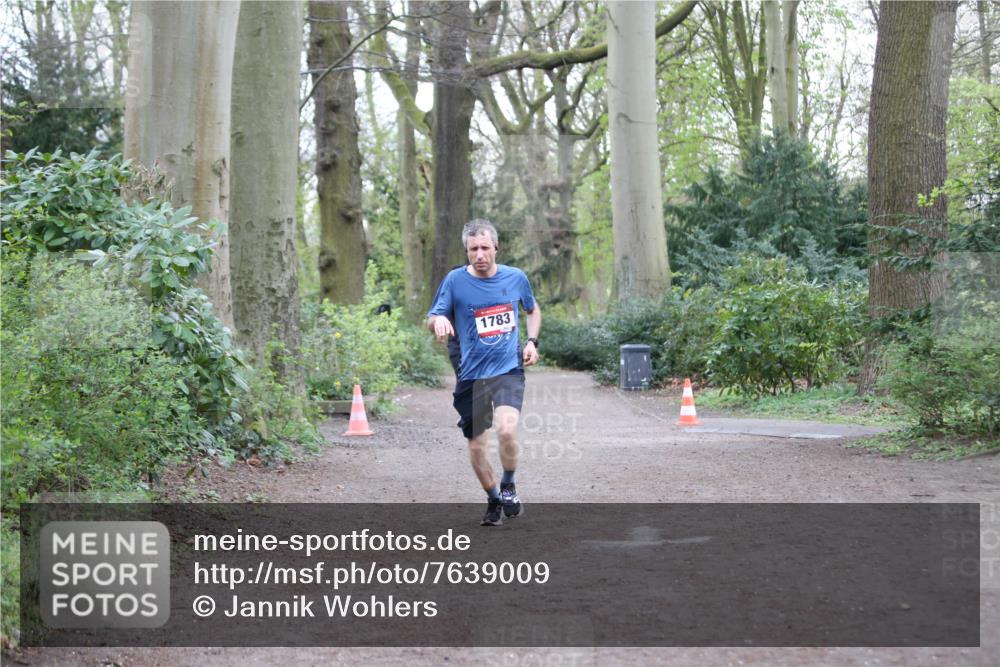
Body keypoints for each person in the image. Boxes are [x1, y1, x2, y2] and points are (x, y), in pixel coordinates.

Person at [427, 219, 541, 526]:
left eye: (485, 248)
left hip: (508, 369)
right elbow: (434, 314)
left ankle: (508, 484)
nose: (479, 254)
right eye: (473, 249)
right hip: (471, 374)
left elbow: (532, 309)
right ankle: (493, 498)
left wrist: (532, 341)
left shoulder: (515, 278)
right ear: (466, 250)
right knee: (477, 446)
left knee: (506, 430)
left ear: (496, 248)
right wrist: (437, 321)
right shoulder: (454, 281)